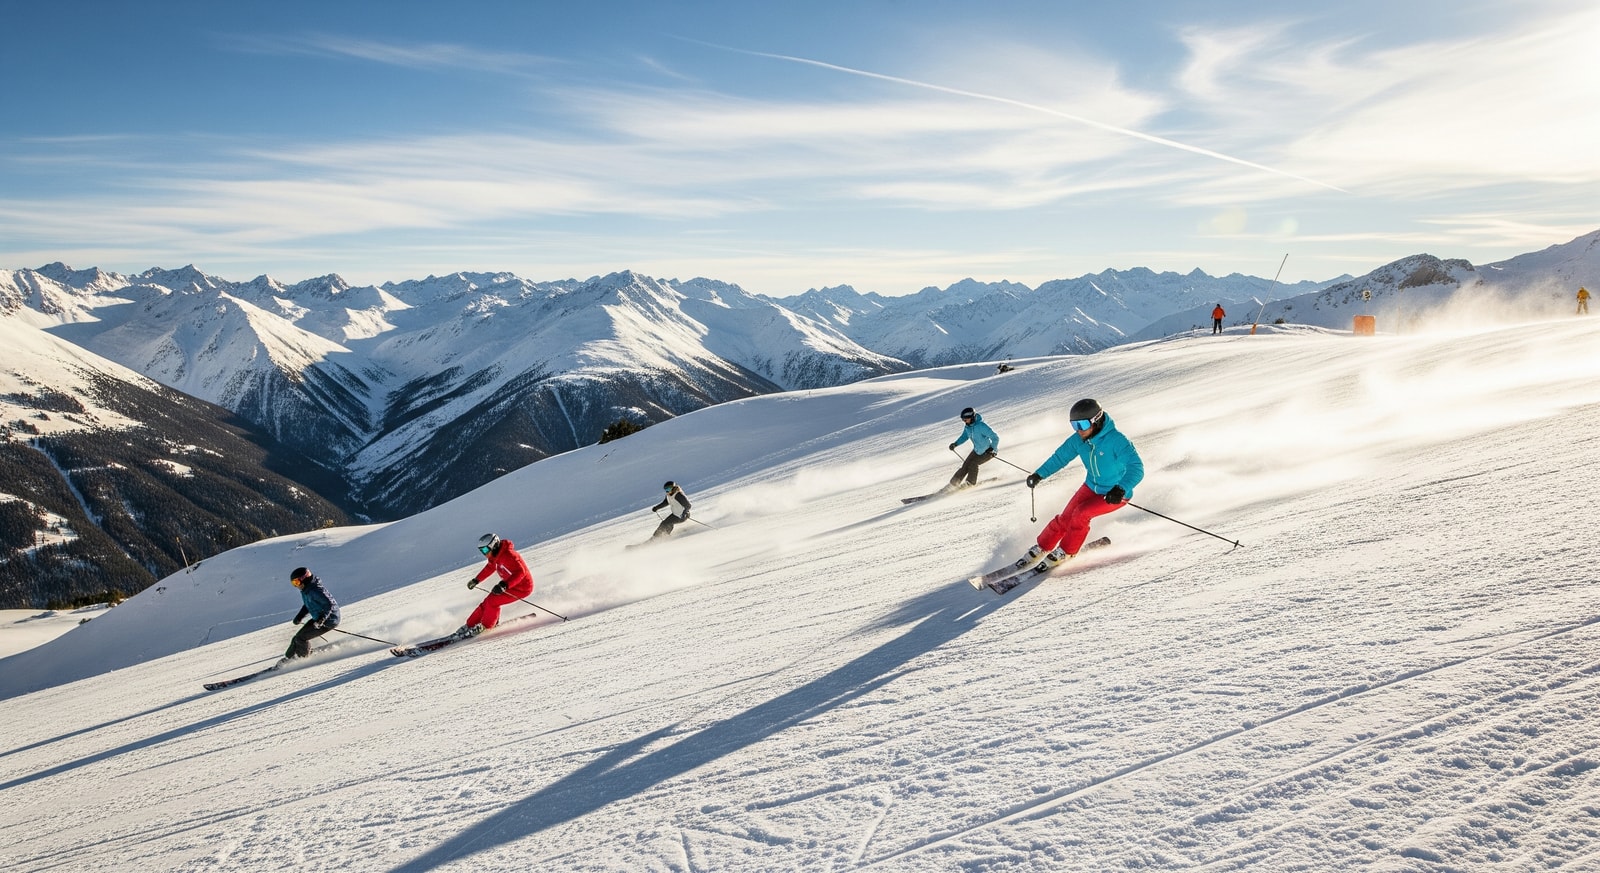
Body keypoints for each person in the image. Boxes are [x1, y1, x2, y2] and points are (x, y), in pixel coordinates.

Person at [1019, 398, 1144, 569]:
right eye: (1074, 425)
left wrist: (1121, 488)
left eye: (1082, 425)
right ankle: (1043, 546)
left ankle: (1067, 551)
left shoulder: (1117, 440)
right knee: (1065, 518)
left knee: (1080, 514)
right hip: (1091, 486)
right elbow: (1060, 457)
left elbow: (1136, 468)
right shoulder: (1078, 440)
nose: (1079, 431)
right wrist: (1039, 474)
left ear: (1096, 421)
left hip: (1115, 493)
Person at [461, 533, 534, 637]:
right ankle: (470, 625)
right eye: (482, 551)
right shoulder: (495, 556)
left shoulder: (509, 555)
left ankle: (486, 626)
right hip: (510, 585)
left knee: (493, 601)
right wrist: (476, 580)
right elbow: (490, 568)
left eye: (485, 550)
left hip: (522, 587)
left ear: (493, 545)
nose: (484, 554)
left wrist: (504, 585)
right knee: (487, 602)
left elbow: (520, 572)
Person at [285, 567, 340, 661]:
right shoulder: (306, 590)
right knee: (296, 638)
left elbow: (329, 604)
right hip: (318, 618)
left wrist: (321, 619)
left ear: (304, 578)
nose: (296, 586)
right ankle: (289, 659)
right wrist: (300, 616)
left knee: (301, 638)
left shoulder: (316, 590)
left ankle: (304, 659)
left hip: (328, 620)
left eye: (297, 582)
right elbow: (308, 605)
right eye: (294, 583)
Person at [947, 407, 999, 490]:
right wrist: (955, 444)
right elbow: (964, 436)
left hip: (988, 452)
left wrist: (993, 449)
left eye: (966, 419)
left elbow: (995, 437)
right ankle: (953, 485)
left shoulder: (981, 426)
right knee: (965, 466)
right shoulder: (968, 427)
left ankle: (970, 483)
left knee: (973, 464)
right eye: (963, 420)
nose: (964, 421)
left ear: (972, 417)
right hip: (977, 450)